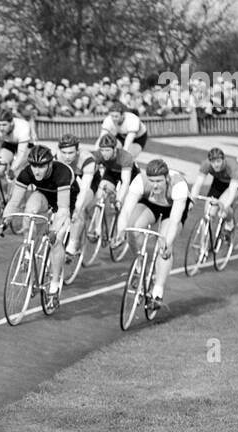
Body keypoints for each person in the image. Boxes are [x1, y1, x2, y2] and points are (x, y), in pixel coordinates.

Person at [0, 144, 74, 309]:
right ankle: (28, 249)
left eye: (41, 166)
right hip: (44, 195)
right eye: (34, 166)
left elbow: (62, 209)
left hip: (65, 202)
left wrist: (54, 230)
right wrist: (5, 220)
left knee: (56, 240)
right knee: (30, 210)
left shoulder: (62, 173)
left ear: (50, 164)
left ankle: (54, 285)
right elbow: (14, 202)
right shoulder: (26, 173)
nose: (37, 171)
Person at [114, 158, 190, 314]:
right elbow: (126, 211)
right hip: (150, 204)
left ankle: (158, 290)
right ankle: (141, 266)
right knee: (133, 228)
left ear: (167, 178)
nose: (155, 185)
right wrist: (121, 232)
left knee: (164, 244)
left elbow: (175, 221)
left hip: (172, 209)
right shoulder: (140, 181)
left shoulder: (179, 186)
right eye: (152, 181)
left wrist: (167, 243)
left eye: (159, 181)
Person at [55, 134, 97, 263]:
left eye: (71, 153)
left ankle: (72, 244)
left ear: (77, 151)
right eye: (64, 153)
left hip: (88, 183)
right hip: (70, 181)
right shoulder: (57, 158)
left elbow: (84, 190)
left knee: (79, 208)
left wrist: (77, 208)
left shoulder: (87, 160)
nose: (67, 156)